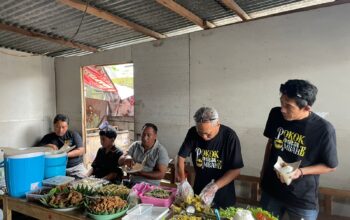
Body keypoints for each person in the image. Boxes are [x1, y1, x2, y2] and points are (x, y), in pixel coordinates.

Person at [260, 79, 338, 220]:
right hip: (271, 191)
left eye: (288, 106)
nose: (282, 109)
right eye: (281, 102)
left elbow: (330, 166)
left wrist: (300, 172)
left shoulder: (323, 129)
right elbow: (271, 143)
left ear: (307, 108)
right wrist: (263, 172)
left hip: (301, 199)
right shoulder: (276, 114)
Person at [177, 107, 244, 208]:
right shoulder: (193, 133)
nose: (204, 137)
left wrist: (214, 187)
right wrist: (182, 181)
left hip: (223, 196)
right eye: (200, 132)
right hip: (199, 194)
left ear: (217, 124)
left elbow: (236, 170)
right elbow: (181, 158)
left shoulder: (230, 137)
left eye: (208, 133)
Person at [38, 114, 87, 179]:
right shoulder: (48, 137)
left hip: (75, 168)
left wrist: (66, 155)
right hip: (56, 169)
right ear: (54, 125)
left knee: (85, 181)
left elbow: (81, 150)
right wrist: (47, 146)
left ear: (67, 126)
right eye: (57, 127)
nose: (60, 130)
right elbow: (37, 149)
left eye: (63, 127)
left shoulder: (73, 134)